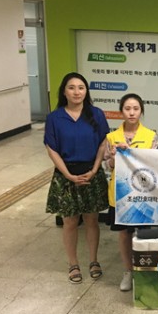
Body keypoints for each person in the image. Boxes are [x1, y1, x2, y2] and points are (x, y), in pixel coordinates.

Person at [44, 72, 109, 284]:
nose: (76, 92)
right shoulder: (54, 118)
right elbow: (51, 148)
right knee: (70, 221)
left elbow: (103, 143)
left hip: (91, 173)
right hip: (66, 175)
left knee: (92, 219)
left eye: (81, 87)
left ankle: (93, 260)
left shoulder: (96, 114)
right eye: (71, 87)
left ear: (86, 91)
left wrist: (95, 169)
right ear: (64, 91)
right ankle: (73, 264)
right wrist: (68, 175)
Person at [105, 93, 158, 291]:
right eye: (127, 109)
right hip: (120, 194)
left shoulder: (151, 136)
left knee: (144, 232)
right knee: (124, 234)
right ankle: (128, 271)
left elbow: (155, 164)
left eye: (136, 109)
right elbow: (107, 166)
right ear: (121, 111)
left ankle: (145, 270)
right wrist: (115, 158)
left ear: (141, 111)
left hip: (143, 193)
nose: (131, 113)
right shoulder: (111, 137)